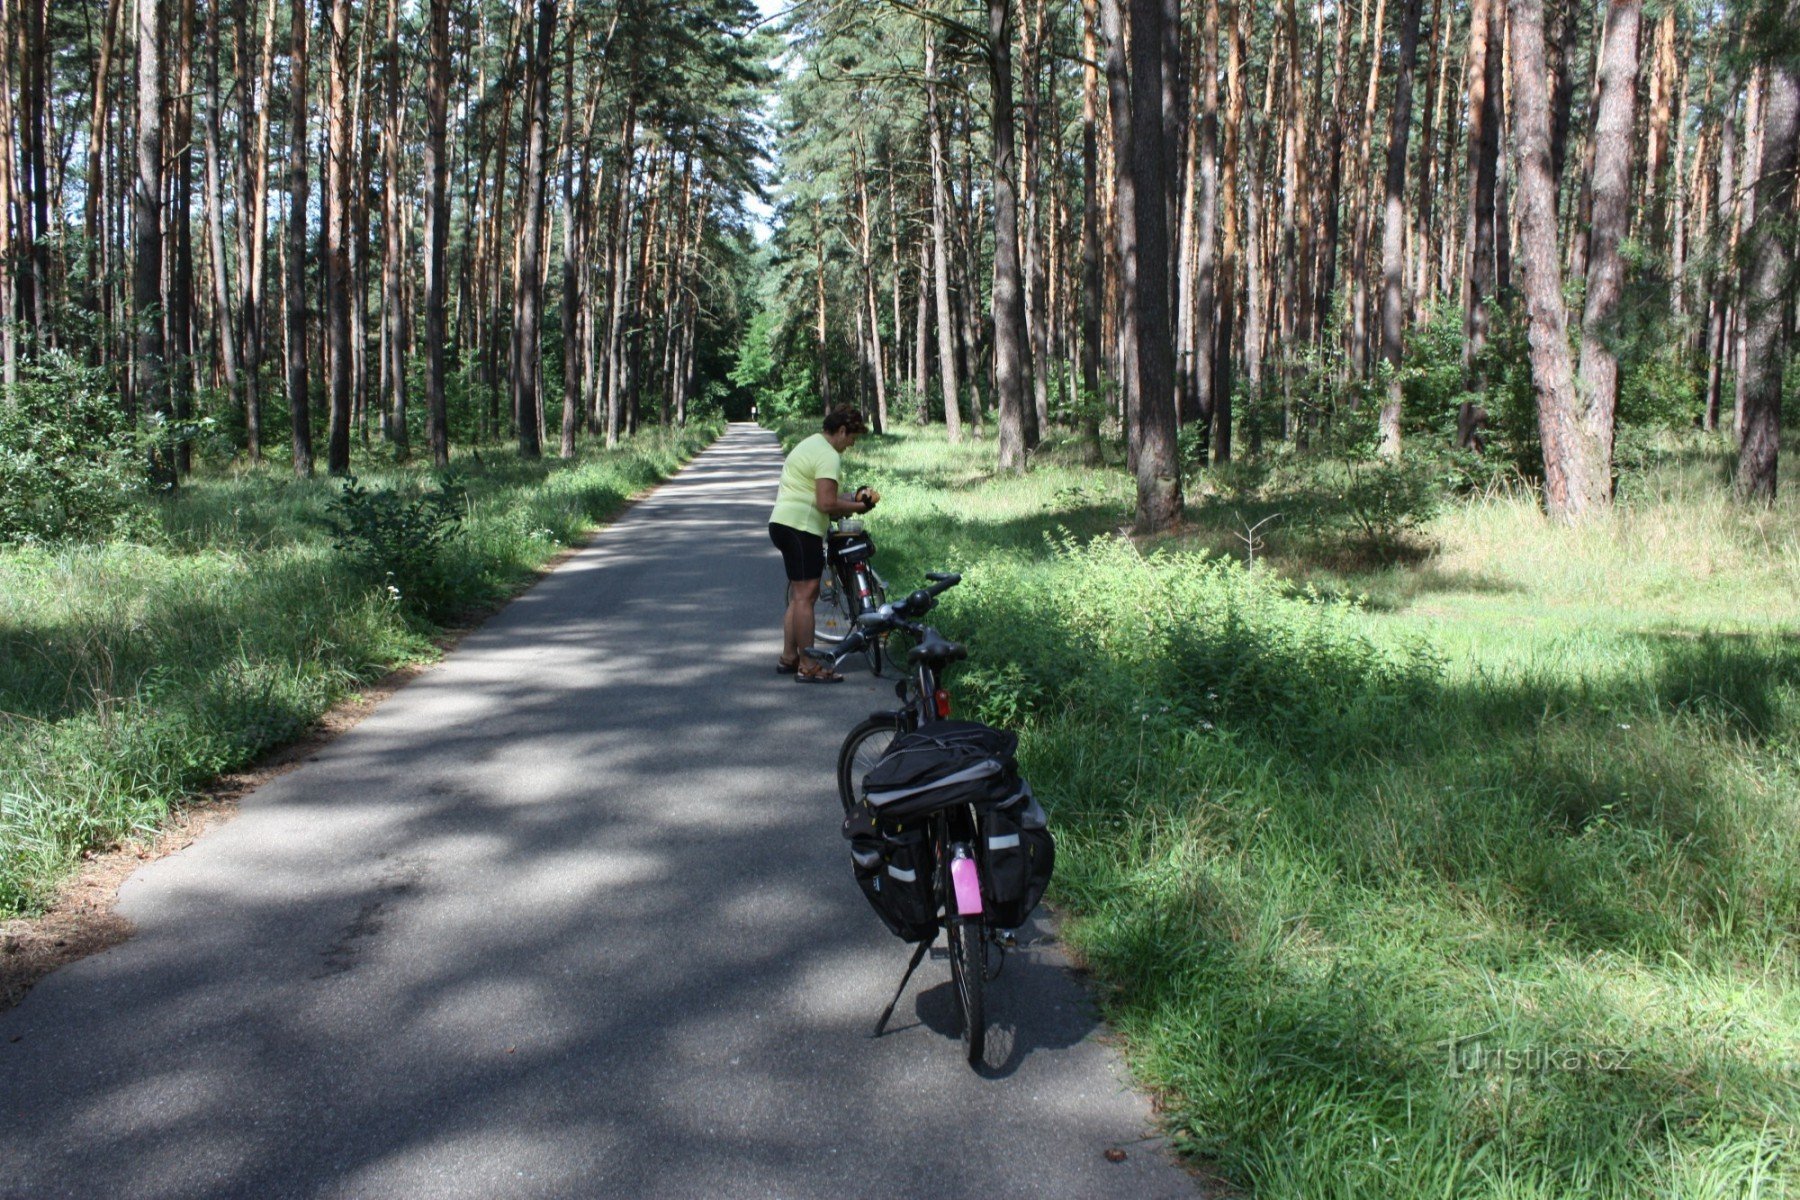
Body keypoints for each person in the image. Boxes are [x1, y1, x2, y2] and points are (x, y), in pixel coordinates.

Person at [769, 407, 880, 683]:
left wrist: (853, 498)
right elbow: (826, 503)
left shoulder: (812, 444)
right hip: (801, 527)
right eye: (852, 437)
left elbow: (824, 494)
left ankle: (789, 657)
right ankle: (808, 665)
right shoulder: (829, 455)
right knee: (806, 597)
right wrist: (858, 507)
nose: (852, 443)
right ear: (841, 430)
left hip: (783, 523)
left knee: (798, 596)